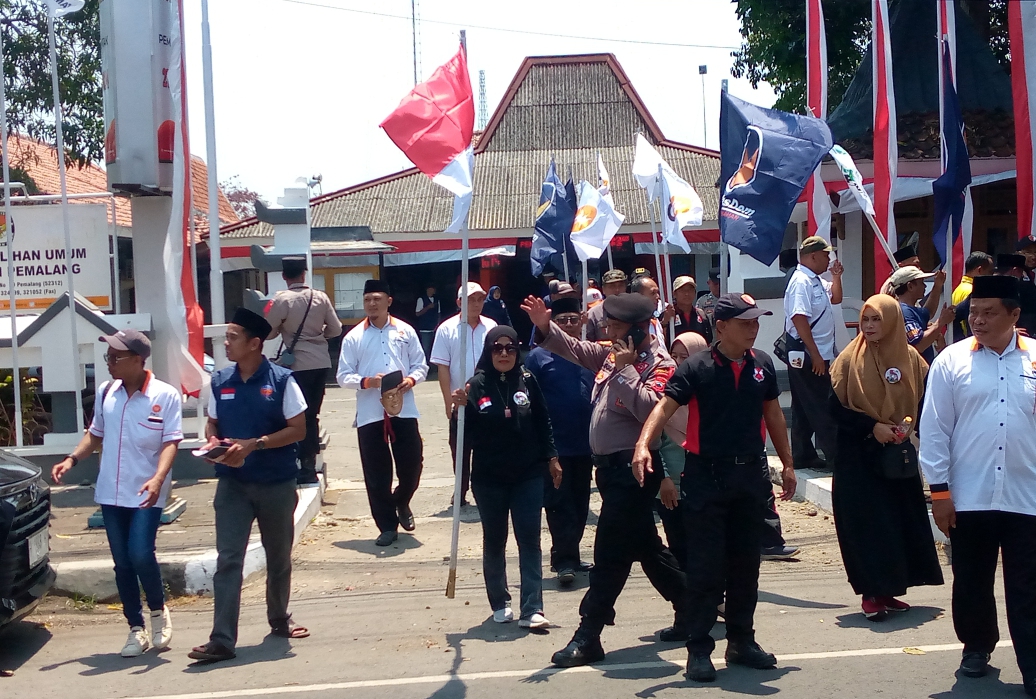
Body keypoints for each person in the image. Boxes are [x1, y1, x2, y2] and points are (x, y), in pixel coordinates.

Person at [633, 293, 797, 682]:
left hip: (749, 477)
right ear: (721, 327)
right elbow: (664, 408)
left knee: (746, 565)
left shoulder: (763, 365)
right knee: (706, 568)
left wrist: (788, 464)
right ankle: (699, 648)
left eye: (756, 321)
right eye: (746, 322)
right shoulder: (696, 367)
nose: (753, 329)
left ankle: (742, 641)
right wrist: (643, 445)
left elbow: (772, 414)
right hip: (707, 477)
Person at [522, 293, 687, 668]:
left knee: (609, 554)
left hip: (635, 471)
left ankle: (589, 632)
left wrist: (628, 371)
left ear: (638, 330)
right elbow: (576, 349)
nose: (607, 331)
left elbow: (651, 411)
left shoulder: (659, 365)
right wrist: (544, 325)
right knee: (647, 548)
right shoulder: (610, 355)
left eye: (614, 326)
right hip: (608, 472)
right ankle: (696, 607)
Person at [920, 275, 1036, 696]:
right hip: (969, 496)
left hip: (1028, 496)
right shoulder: (952, 361)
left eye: (989, 313)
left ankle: (1032, 664)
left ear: (1015, 314)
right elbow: (935, 431)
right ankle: (975, 647)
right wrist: (939, 492)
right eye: (974, 313)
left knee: (1028, 586)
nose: (979, 320)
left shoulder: (1035, 360)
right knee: (971, 578)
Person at [188, 308, 309, 663]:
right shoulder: (220, 380)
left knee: (279, 557)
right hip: (233, 485)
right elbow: (212, 424)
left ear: (255, 344)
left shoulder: (283, 381)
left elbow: (298, 430)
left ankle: (279, 618)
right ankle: (222, 640)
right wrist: (214, 445)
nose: (225, 343)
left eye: (232, 337)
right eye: (226, 336)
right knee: (228, 560)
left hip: (275, 483)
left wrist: (255, 444)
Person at [52, 329, 181, 657]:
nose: (109, 363)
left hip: (146, 492)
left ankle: (157, 612)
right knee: (122, 563)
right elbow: (95, 435)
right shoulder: (107, 392)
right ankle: (135, 628)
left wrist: (158, 478)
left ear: (139, 360)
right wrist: (71, 459)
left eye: (116, 357)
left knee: (140, 553)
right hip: (111, 491)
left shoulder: (164, 396)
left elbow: (171, 442)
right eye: (108, 357)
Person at [829, 295, 943, 621]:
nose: (869, 326)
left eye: (877, 320)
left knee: (897, 523)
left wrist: (908, 425)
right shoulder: (849, 361)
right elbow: (833, 409)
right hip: (858, 458)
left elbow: (924, 402)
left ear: (891, 321)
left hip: (896, 457)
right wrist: (872, 426)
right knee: (867, 525)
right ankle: (871, 594)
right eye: (866, 320)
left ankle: (889, 590)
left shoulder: (911, 359)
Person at [451, 326, 557, 629]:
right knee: (495, 541)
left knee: (530, 541)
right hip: (489, 479)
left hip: (528, 475)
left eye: (510, 348)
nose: (504, 354)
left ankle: (532, 608)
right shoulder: (475, 386)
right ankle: (499, 601)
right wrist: (457, 413)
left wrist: (552, 457)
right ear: (488, 351)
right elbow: (461, 439)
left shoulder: (527, 380)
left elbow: (543, 421)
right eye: (497, 348)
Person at [337, 279, 428, 547]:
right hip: (370, 412)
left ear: (389, 301)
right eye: (367, 300)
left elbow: (420, 366)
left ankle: (401, 500)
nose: (372, 304)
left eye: (377, 299)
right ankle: (387, 526)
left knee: (413, 463)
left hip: (403, 407)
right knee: (376, 473)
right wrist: (367, 382)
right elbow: (343, 376)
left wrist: (410, 381)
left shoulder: (406, 331)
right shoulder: (354, 336)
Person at [525, 297, 595, 585]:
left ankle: (573, 554)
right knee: (558, 503)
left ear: (581, 321)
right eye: (561, 320)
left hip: (586, 443)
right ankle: (563, 560)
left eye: (572, 319)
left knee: (580, 504)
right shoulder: (538, 357)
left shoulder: (590, 355)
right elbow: (530, 403)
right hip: (556, 445)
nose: (568, 325)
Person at [265, 256, 343, 484]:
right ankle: (309, 464)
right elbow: (336, 329)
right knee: (312, 415)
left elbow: (268, 332)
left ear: (284, 276)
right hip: (320, 363)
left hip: (295, 366)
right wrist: (318, 338)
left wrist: (284, 330)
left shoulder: (282, 300)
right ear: (304, 273)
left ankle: (297, 462)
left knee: (294, 415)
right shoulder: (320, 297)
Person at [430, 282, 497, 506]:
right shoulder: (446, 329)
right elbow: (443, 368)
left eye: (479, 299)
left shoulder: (491, 326)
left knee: (487, 446)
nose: (476, 304)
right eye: (471, 300)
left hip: (487, 398)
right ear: (459, 302)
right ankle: (461, 489)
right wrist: (448, 402)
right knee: (459, 449)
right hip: (460, 399)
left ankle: (485, 489)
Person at [783, 236, 843, 470]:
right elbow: (799, 318)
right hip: (807, 352)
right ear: (812, 256)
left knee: (802, 403)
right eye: (826, 255)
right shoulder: (801, 282)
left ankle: (802, 454)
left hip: (818, 351)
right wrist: (815, 354)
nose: (829, 259)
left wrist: (836, 277)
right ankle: (835, 455)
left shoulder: (815, 280)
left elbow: (835, 297)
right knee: (822, 403)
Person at [655, 332, 709, 572]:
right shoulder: (663, 395)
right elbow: (653, 441)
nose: (677, 363)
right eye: (673, 356)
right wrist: (663, 478)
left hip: (704, 486)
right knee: (679, 545)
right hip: (670, 489)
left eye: (684, 357)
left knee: (705, 546)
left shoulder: (712, 392)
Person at [889, 266, 955, 366]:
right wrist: (941, 322)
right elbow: (919, 345)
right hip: (915, 375)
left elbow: (929, 312)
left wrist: (937, 286)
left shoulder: (910, 309)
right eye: (921, 282)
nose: (924, 286)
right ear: (910, 286)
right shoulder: (905, 312)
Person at [586, 269, 627, 341]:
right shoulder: (593, 314)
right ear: (603, 289)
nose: (617, 290)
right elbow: (588, 343)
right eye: (612, 286)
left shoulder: (634, 309)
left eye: (620, 286)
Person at [671, 276, 713, 344]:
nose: (687, 294)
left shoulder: (701, 315)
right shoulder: (669, 315)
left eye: (690, 290)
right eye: (682, 290)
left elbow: (708, 340)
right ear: (674, 294)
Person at [631, 275, 666, 344]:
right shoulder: (630, 325)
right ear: (638, 296)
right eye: (653, 293)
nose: (657, 296)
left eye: (657, 292)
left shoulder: (655, 322)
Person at [415, 285, 441, 363]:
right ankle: (424, 364)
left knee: (434, 348)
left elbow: (438, 313)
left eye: (432, 290)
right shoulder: (421, 299)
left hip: (434, 328)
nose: (430, 291)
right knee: (425, 348)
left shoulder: (437, 300)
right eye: (429, 289)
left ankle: (432, 365)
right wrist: (428, 307)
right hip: (424, 328)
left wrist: (438, 324)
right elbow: (417, 313)